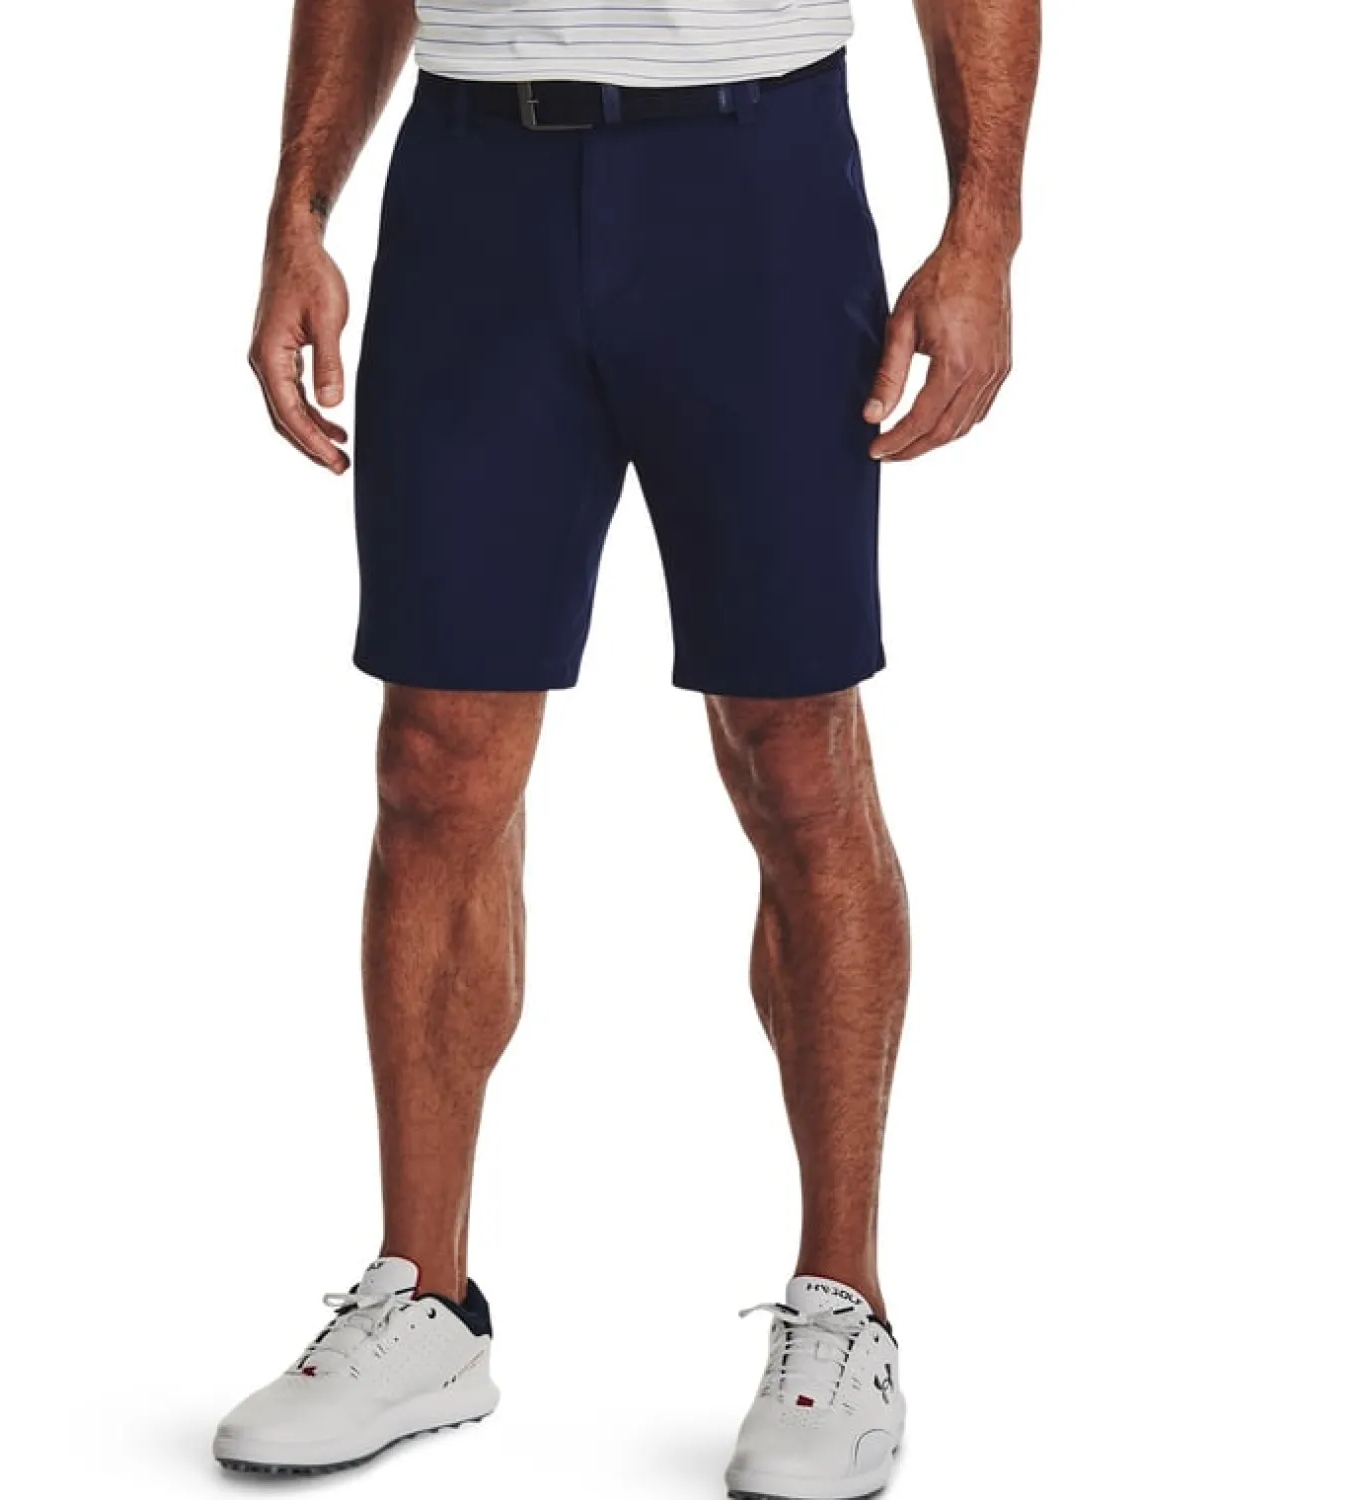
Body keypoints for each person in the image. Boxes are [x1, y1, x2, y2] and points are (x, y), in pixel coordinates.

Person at [215, 0, 1038, 1493]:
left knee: (795, 745)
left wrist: (985, 232)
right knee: (435, 753)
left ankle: (842, 1307)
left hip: (756, 177)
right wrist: (298, 210)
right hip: (473, 184)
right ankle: (424, 1302)